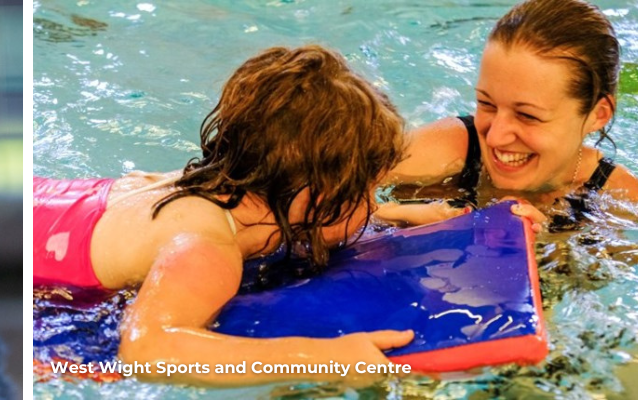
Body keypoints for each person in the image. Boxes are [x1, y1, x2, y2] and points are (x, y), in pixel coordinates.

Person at [33, 45, 411, 387]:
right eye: (368, 191)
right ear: (320, 196)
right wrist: (321, 358)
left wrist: (396, 216)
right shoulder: (207, 251)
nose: (372, 205)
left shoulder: (200, 187)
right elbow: (146, 351)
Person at [380, 0, 638, 229]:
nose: (495, 138)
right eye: (487, 104)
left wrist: (548, 249)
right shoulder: (454, 148)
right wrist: (395, 214)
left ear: (598, 115)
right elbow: (340, 187)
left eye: (527, 115)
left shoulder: (621, 201)